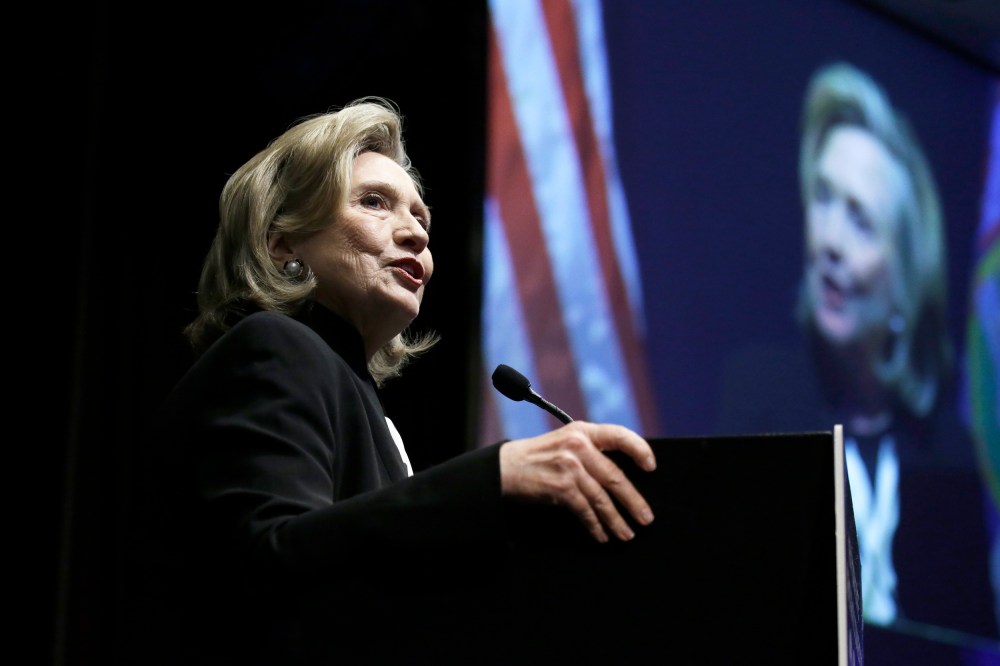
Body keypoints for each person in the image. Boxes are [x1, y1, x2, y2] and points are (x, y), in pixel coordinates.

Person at [128, 96, 658, 665]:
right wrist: (493, 478)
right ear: (283, 243)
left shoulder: (356, 396)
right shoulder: (273, 347)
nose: (415, 236)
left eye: (421, 218)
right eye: (375, 204)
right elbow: (268, 560)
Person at [716, 62, 997, 644]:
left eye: (862, 222)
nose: (830, 242)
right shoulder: (757, 400)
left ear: (905, 277)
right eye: (823, 198)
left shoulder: (948, 453)